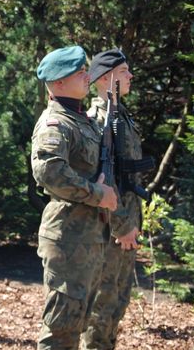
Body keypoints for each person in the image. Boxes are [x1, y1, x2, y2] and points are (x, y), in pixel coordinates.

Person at [31, 45, 118, 350]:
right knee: (62, 330)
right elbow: (49, 173)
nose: (86, 75)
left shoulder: (82, 120)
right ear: (57, 83)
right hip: (67, 238)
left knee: (79, 323)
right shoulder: (56, 123)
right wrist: (98, 194)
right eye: (78, 72)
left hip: (90, 237)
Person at [82, 49, 144, 349]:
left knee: (118, 304)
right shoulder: (96, 122)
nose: (131, 76)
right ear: (106, 79)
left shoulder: (122, 118)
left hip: (126, 226)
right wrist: (122, 226)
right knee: (100, 311)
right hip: (108, 231)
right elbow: (103, 182)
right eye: (124, 71)